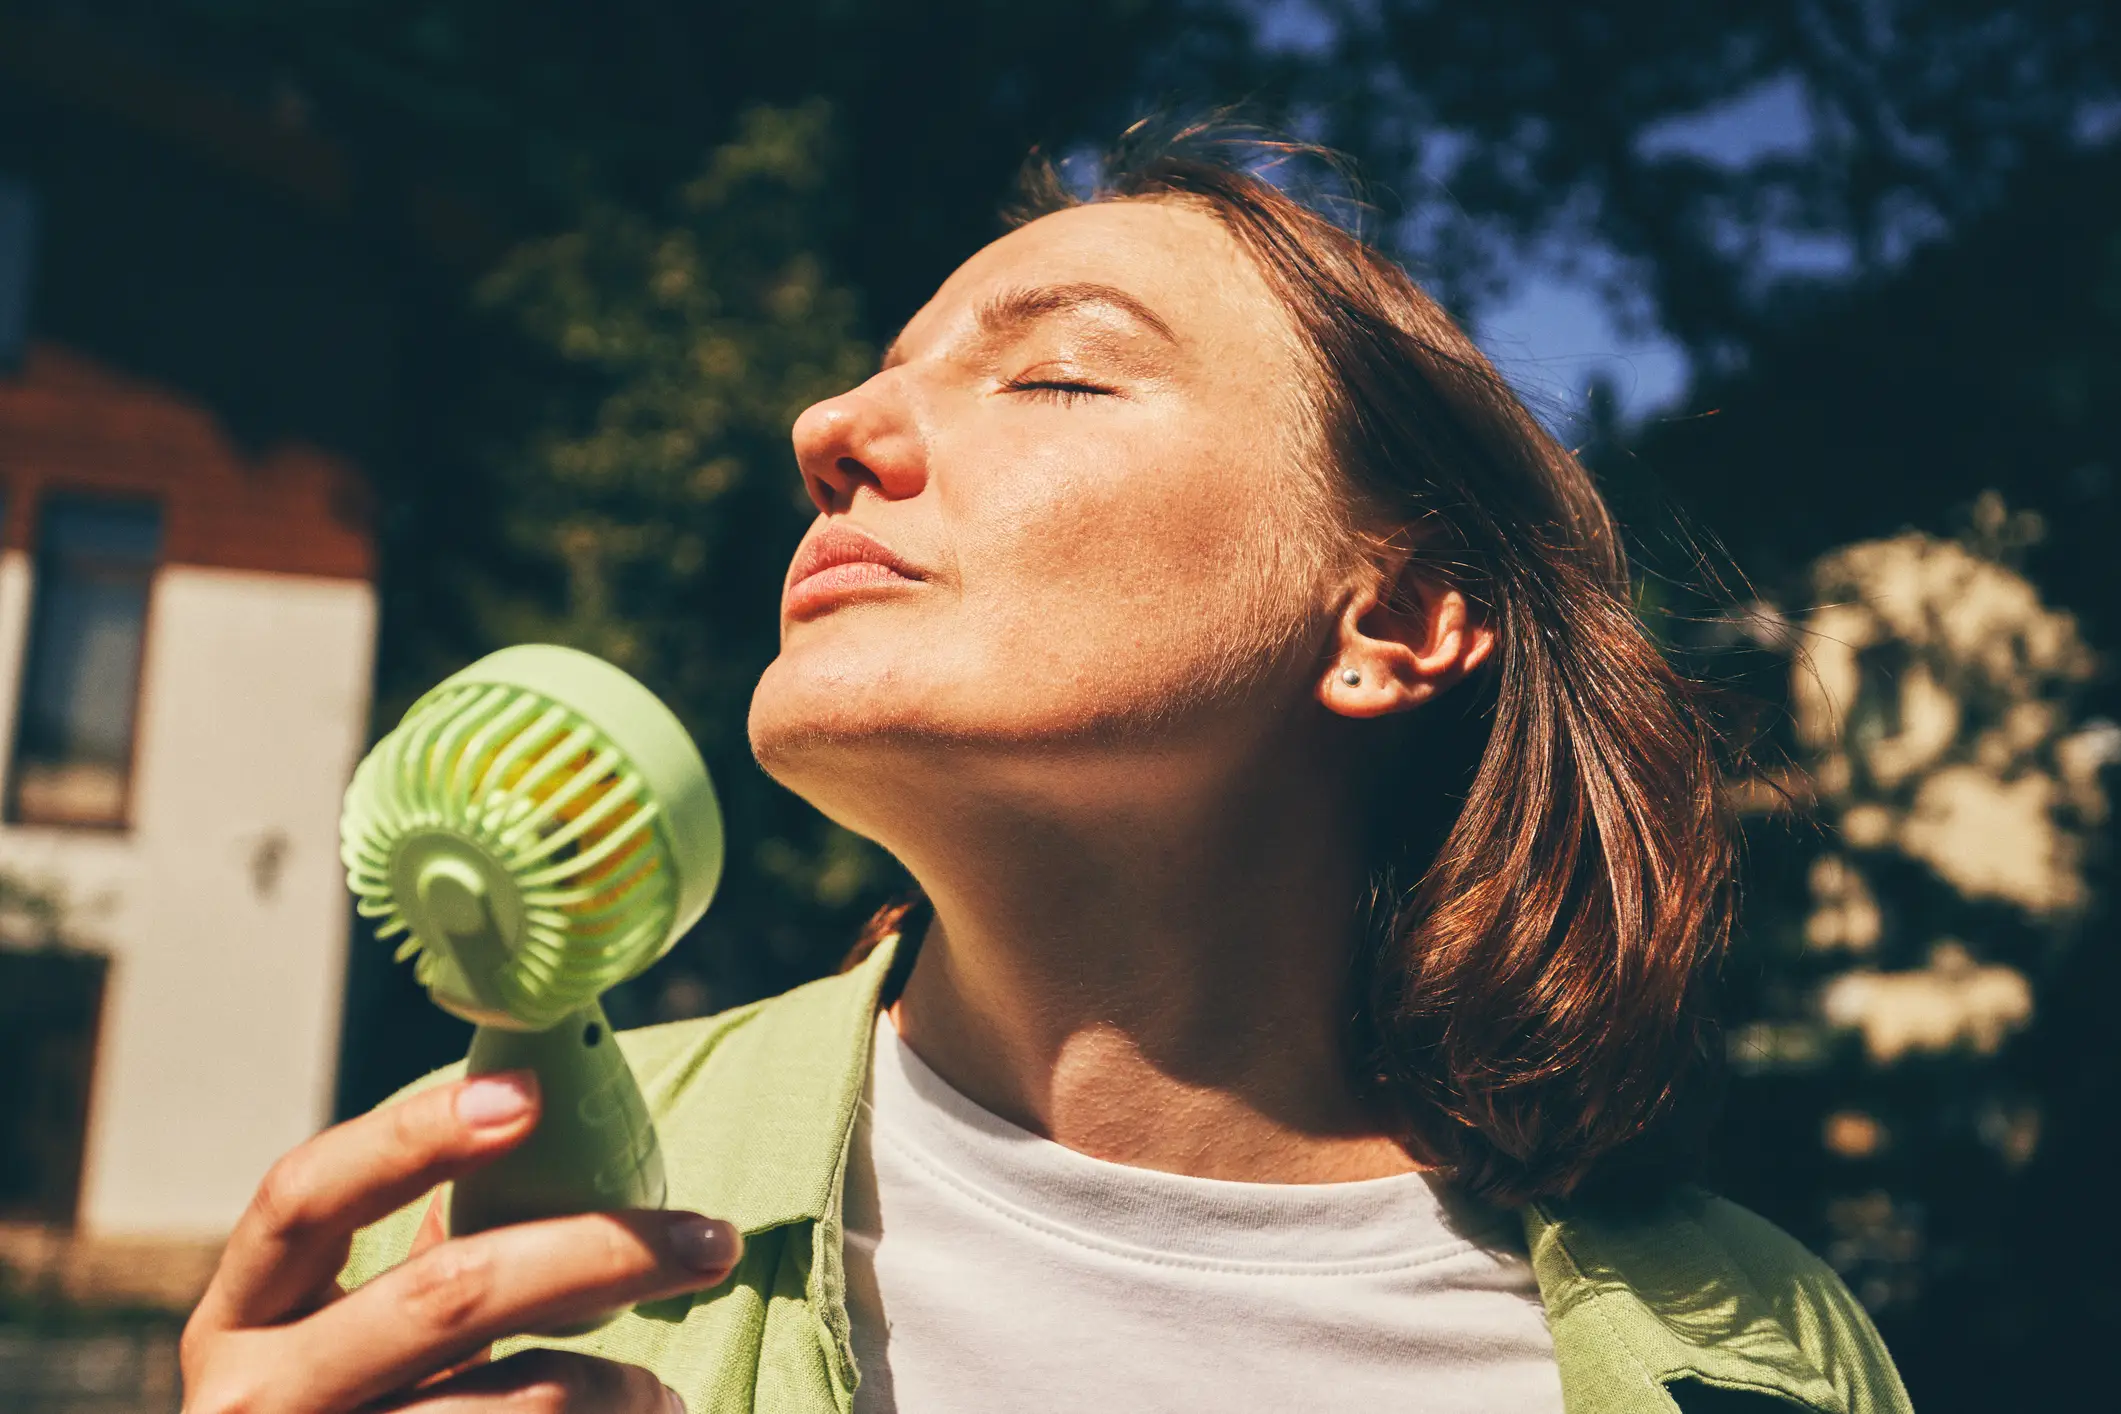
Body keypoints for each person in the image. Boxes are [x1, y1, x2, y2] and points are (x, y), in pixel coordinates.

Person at [178, 131, 1910, 1414]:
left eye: (1059, 370)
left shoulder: (1766, 1348)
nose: (830, 428)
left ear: (1390, 615)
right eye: (884, 367)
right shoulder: (493, 1228)